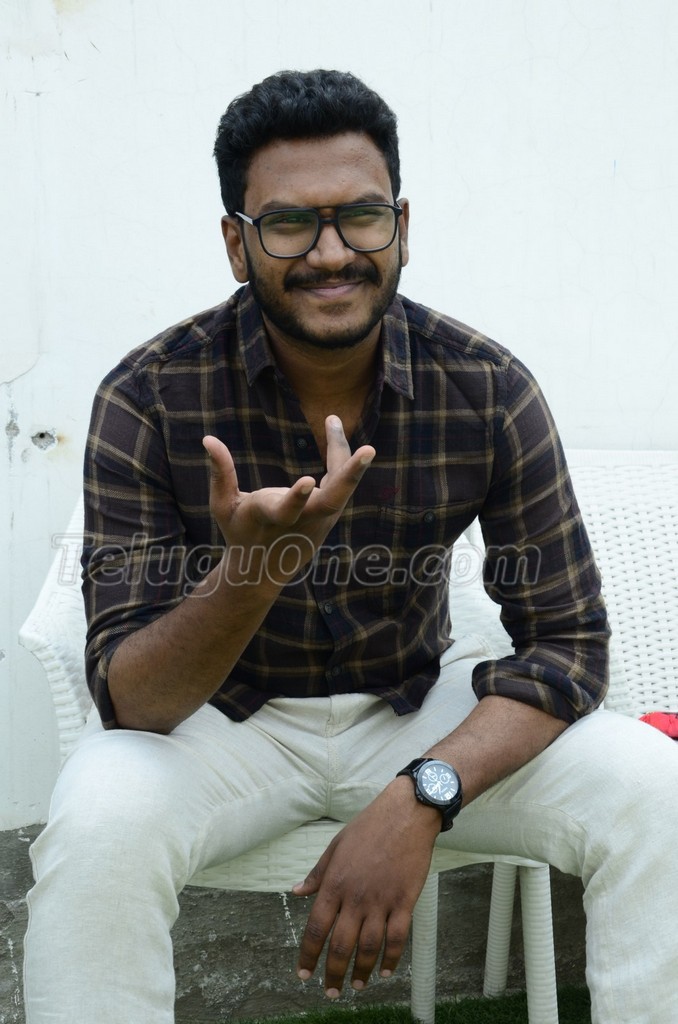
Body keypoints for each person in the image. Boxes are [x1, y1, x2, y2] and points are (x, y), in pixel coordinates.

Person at [23, 69, 678, 1024]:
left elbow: (569, 645)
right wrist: (253, 572)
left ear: (401, 227)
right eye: (290, 225)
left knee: (655, 786)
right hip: (224, 726)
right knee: (97, 818)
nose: (331, 254)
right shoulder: (149, 395)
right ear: (237, 244)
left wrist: (423, 794)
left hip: (415, 706)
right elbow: (135, 702)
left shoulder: (487, 387)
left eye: (360, 217)